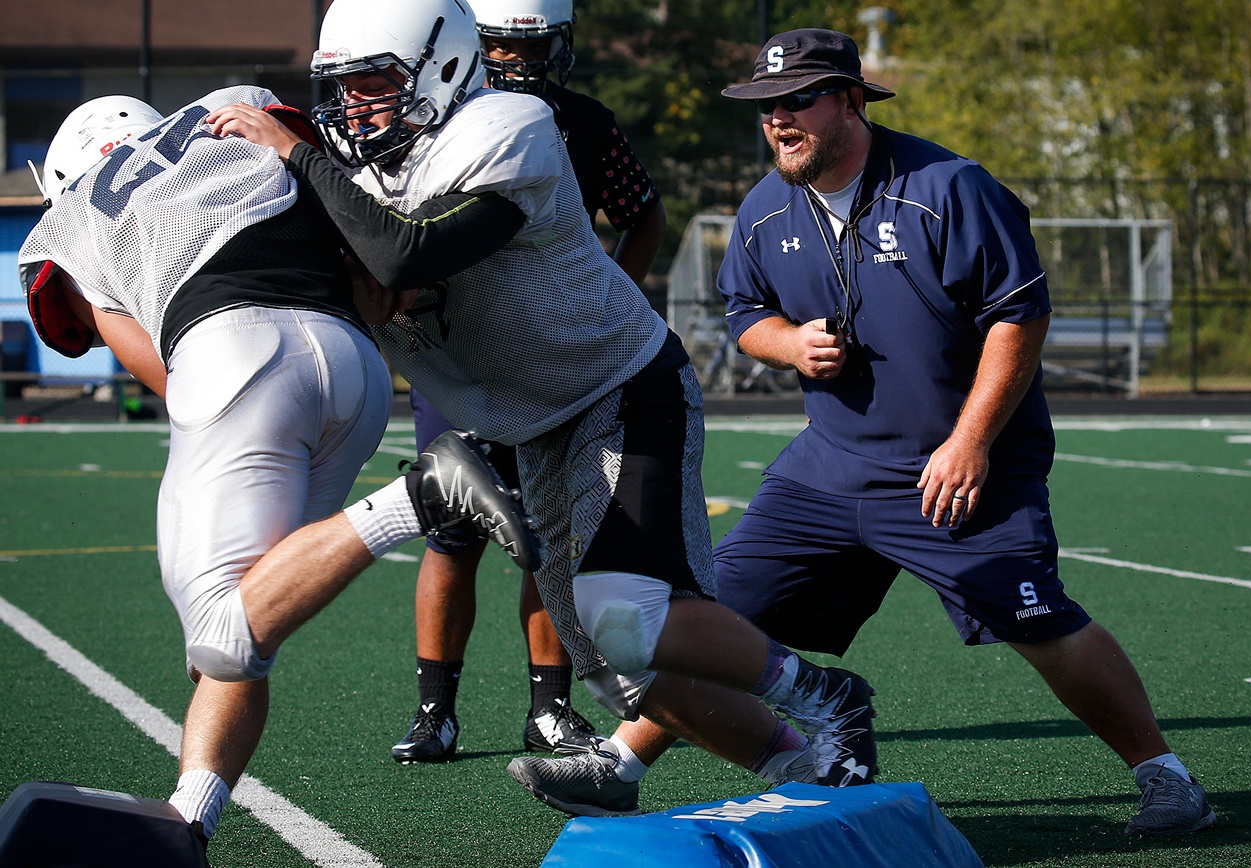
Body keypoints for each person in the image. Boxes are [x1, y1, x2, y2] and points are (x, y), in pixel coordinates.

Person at [506, 27, 1218, 838]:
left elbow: (1020, 315)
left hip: (954, 469)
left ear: (851, 99)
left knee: (1037, 619)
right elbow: (745, 316)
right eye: (767, 105)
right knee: (698, 617)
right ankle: (623, 764)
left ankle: (1167, 778)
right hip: (831, 467)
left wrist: (970, 441)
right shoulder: (765, 205)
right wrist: (789, 344)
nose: (778, 118)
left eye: (798, 99)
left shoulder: (950, 186)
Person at [206, 0, 880, 816]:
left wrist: (298, 160)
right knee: (612, 667)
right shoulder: (364, 174)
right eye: (343, 90)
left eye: (375, 83)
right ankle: (803, 769)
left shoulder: (507, 123)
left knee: (623, 612)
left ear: (445, 67)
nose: (356, 108)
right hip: (530, 420)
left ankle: (822, 694)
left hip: (619, 386)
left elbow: (405, 251)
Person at [18, 88, 535, 847]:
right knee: (246, 633)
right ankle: (190, 825)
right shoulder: (229, 115)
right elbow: (350, 218)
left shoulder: (70, 220)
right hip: (355, 365)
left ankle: (426, 492)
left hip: (237, 359)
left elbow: (165, 375)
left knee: (220, 631)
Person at [388, 0, 669, 765]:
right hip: (461, 363)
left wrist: (602, 299)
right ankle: (432, 711)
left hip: (553, 365)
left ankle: (550, 710)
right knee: (453, 536)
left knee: (549, 541)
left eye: (538, 45)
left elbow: (644, 214)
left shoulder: (583, 120)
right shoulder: (437, 124)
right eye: (505, 46)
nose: (522, 61)